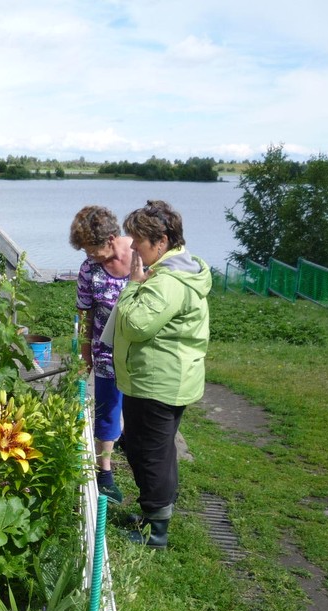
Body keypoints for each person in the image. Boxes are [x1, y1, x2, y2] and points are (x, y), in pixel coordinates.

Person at [113, 200, 211, 548]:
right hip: (166, 378)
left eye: (138, 240)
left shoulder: (167, 281)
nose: (134, 248)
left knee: (149, 454)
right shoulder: (180, 271)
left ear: (162, 241)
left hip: (157, 382)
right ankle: (154, 514)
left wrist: (132, 286)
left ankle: (156, 532)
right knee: (156, 450)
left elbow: (138, 325)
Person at [70, 206, 132, 502]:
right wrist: (86, 355)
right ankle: (104, 471)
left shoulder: (141, 255)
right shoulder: (88, 270)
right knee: (107, 409)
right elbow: (85, 315)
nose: (88, 256)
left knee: (139, 408)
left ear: (111, 238)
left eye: (92, 249)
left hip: (139, 350)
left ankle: (138, 458)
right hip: (105, 350)